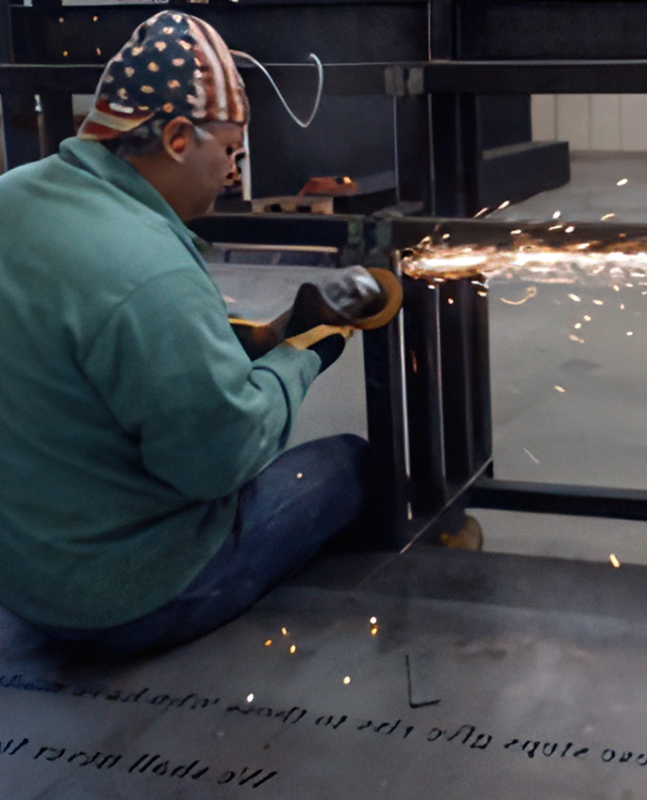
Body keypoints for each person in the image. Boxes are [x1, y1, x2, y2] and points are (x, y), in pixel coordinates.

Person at [0, 11, 395, 655]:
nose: (234, 172)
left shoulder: (11, 196)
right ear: (180, 138)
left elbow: (101, 348)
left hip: (20, 579)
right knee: (352, 464)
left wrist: (259, 339)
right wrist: (303, 352)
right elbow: (219, 460)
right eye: (231, 150)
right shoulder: (149, 268)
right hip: (122, 600)